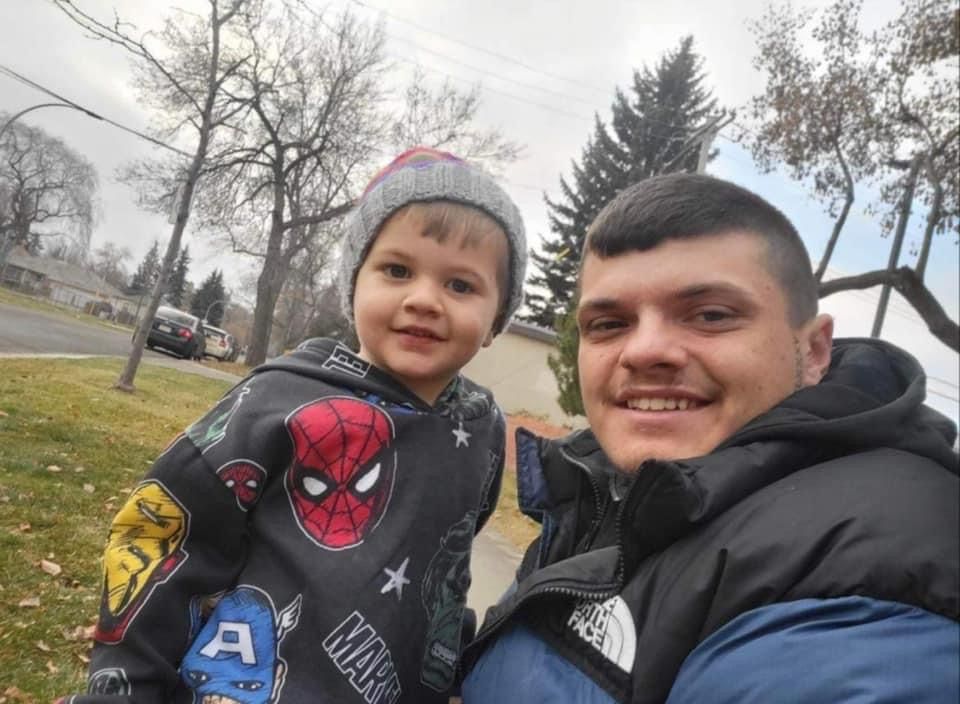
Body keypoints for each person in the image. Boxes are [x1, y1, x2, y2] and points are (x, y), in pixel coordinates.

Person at [461, 173, 959, 703]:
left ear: (814, 351)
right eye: (608, 324)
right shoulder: (605, 492)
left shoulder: (872, 571)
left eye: (711, 315)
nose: (645, 351)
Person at [61, 147, 528, 703]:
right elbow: (162, 533)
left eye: (461, 286)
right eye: (397, 270)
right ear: (355, 282)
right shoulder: (277, 400)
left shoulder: (482, 430)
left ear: (497, 319)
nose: (424, 299)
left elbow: (446, 566)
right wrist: (127, 685)